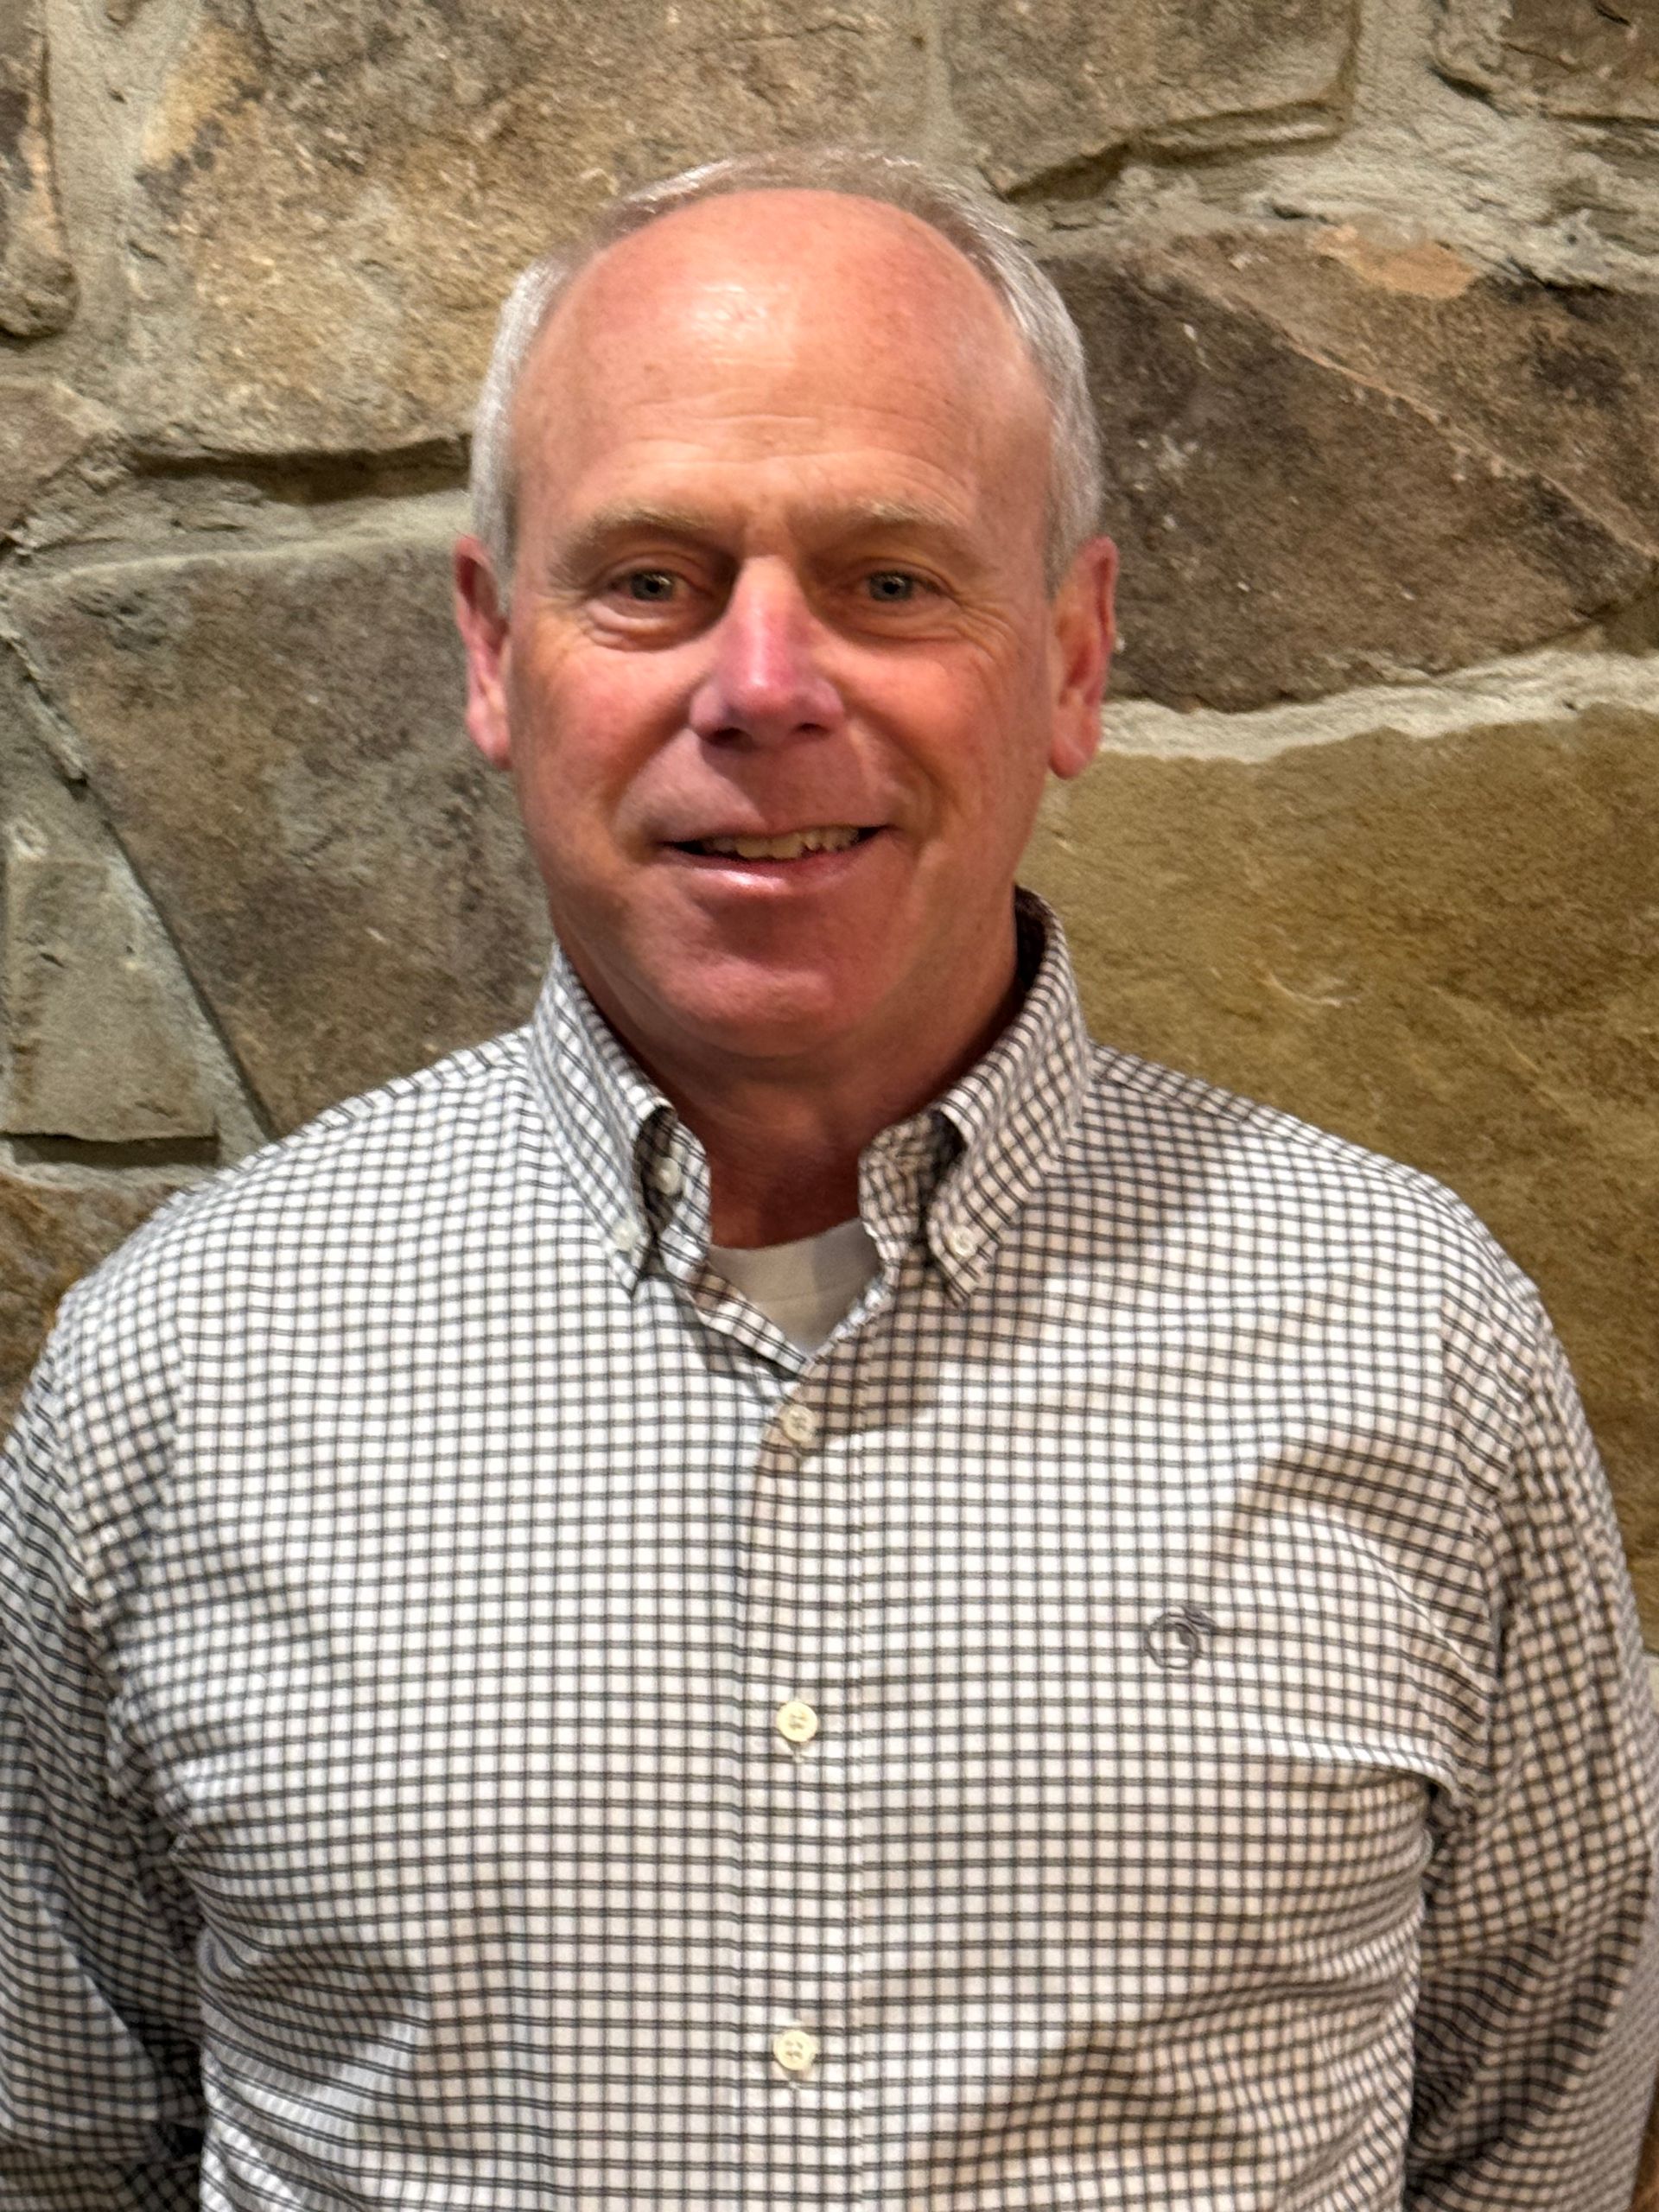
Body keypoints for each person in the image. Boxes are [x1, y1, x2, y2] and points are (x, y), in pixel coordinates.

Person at [1, 147, 1656, 2212]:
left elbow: (1537, 2136)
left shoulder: (1419, 1340)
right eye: (652, 578)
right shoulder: (177, 1368)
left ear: (1069, 656)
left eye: (887, 578)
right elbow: (75, 2142)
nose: (764, 688)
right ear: (497, 649)